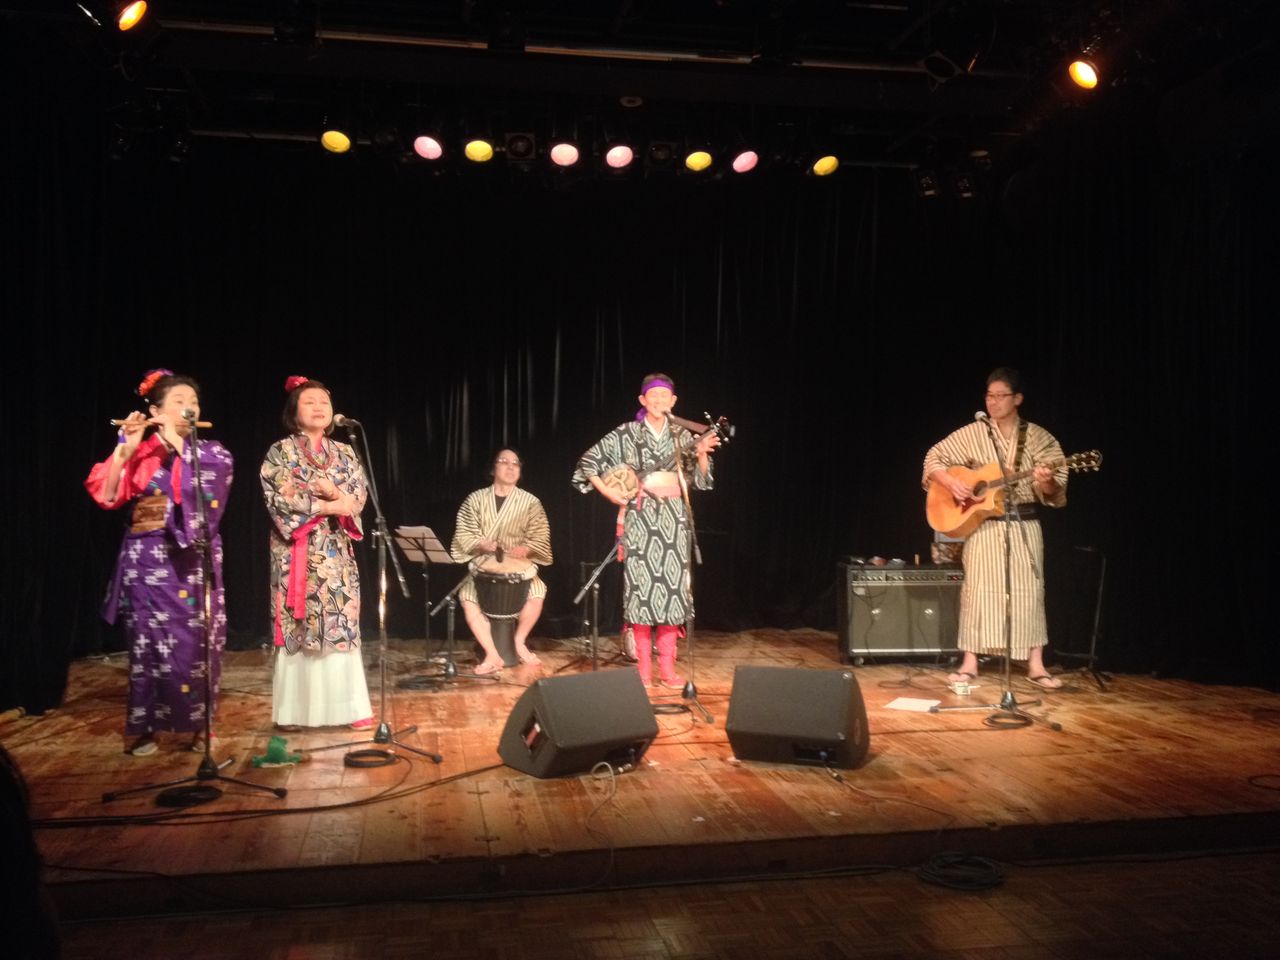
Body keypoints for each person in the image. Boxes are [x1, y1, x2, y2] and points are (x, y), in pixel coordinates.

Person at [85, 369, 233, 756]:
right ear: (155, 411)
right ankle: (148, 727)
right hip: (147, 560)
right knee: (148, 645)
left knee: (198, 645)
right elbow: (108, 496)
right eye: (178, 402)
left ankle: (201, 726)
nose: (189, 408)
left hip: (192, 560)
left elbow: (210, 492)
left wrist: (177, 444)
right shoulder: (143, 450)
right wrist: (125, 450)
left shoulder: (212, 453)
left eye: (193, 402)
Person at [923, 367, 1068, 690]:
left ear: (1018, 399)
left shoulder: (1040, 438)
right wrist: (951, 483)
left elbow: (1054, 493)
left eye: (1001, 396)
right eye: (989, 396)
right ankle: (970, 662)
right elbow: (933, 459)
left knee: (1030, 592)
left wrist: (1046, 482)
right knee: (977, 592)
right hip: (984, 526)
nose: (993, 402)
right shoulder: (972, 433)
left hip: (1024, 523)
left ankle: (1035, 664)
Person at [573, 373, 719, 687]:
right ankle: (642, 670)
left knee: (672, 592)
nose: (659, 400)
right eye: (653, 395)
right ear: (642, 400)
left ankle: (667, 670)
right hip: (640, 518)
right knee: (641, 592)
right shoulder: (627, 432)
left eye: (665, 396)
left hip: (674, 520)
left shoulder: (682, 435)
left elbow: (701, 482)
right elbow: (588, 461)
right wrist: (608, 492)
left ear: (673, 401)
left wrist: (702, 454)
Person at [260, 376, 373, 729]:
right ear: (294, 412)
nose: (319, 407)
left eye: (324, 401)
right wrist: (329, 505)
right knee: (298, 626)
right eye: (309, 402)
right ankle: (294, 712)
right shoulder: (280, 452)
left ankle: (349, 709)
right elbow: (281, 497)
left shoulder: (346, 452)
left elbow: (357, 497)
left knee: (340, 620)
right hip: (296, 552)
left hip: (336, 553)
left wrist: (338, 498)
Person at [450, 449, 553, 673]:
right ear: (493, 468)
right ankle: (492, 655)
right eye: (504, 462)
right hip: (484, 567)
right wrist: (481, 543)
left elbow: (540, 535)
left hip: (518, 567)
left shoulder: (530, 502)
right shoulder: (475, 499)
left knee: (537, 593)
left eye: (515, 463)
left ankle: (519, 641)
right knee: (468, 599)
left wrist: (527, 548)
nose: (510, 467)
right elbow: (464, 532)